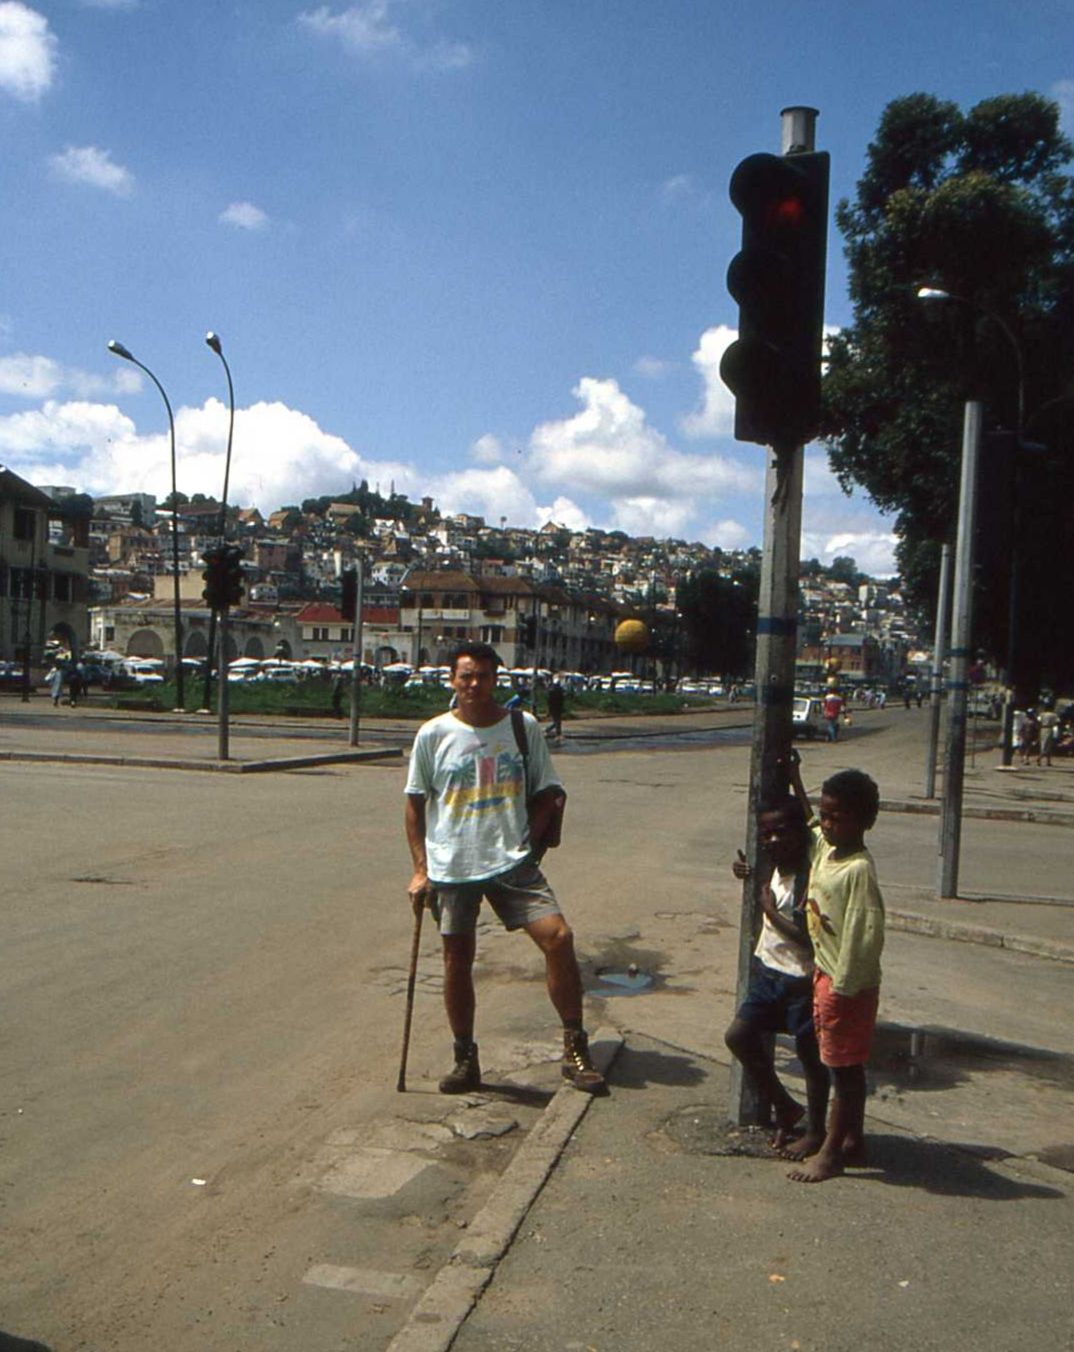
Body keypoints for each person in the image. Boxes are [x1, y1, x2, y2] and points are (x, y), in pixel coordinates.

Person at [404, 641, 605, 1095]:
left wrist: (529, 843)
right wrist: (420, 869)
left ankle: (575, 1049)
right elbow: (415, 804)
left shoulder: (521, 726)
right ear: (452, 681)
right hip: (452, 865)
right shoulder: (433, 734)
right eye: (465, 676)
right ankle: (465, 1058)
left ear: (497, 679)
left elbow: (549, 790)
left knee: (559, 938)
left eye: (483, 676)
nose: (474, 685)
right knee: (457, 961)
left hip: (512, 862)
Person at [786, 762, 885, 1184]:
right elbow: (809, 823)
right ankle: (853, 1141)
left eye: (837, 817)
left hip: (847, 984)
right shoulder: (827, 847)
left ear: (865, 821)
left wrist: (842, 989)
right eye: (825, 815)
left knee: (843, 1070)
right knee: (845, 1066)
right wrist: (794, 778)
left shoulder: (859, 869)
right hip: (826, 975)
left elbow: (864, 936)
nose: (827, 823)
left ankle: (830, 1153)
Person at [725, 771, 829, 1158]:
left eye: (780, 833)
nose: (772, 841)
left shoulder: (809, 874)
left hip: (801, 979)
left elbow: (810, 937)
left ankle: (816, 1130)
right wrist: (747, 874)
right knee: (738, 1036)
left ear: (798, 834)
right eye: (766, 835)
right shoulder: (774, 864)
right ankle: (785, 1106)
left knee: (811, 1058)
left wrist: (770, 911)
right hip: (770, 972)